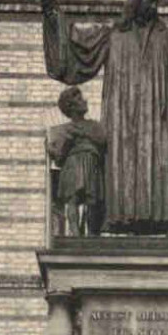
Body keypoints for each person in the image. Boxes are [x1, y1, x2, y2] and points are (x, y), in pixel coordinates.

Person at [38, 0, 168, 235]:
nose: (154, 7)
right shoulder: (112, 36)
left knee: (160, 161)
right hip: (122, 119)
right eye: (149, 1)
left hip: (155, 118)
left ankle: (166, 222)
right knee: (122, 165)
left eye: (156, 2)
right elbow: (75, 49)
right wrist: (49, 6)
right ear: (135, 2)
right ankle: (122, 220)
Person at [48, 87, 106, 237]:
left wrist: (82, 133)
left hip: (91, 163)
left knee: (92, 200)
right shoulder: (64, 130)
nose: (85, 101)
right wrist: (65, 143)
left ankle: (92, 232)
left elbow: (103, 140)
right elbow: (59, 157)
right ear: (71, 107)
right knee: (73, 199)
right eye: (80, 100)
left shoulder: (94, 125)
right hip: (73, 164)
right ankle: (74, 232)